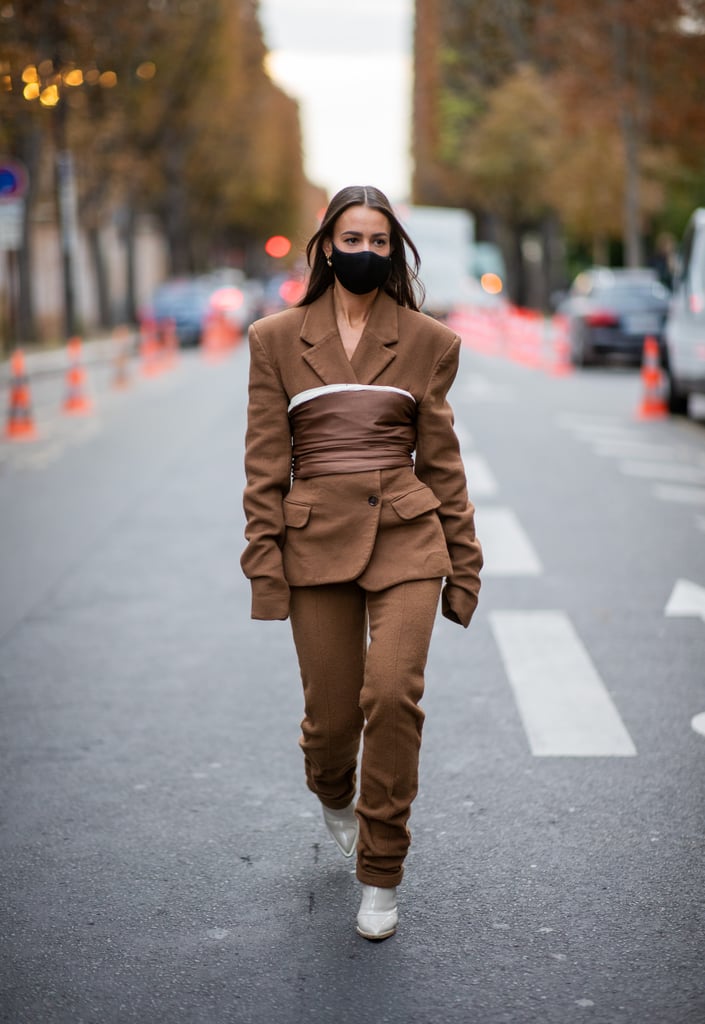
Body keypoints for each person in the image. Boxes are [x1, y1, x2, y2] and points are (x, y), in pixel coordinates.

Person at [241, 185, 482, 941]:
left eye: (380, 242)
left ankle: (381, 872)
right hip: (312, 538)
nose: (366, 253)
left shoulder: (427, 340)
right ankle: (333, 790)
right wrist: (264, 565)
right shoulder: (274, 338)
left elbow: (441, 461)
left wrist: (464, 562)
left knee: (393, 693)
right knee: (331, 722)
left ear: (395, 251)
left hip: (408, 535)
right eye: (353, 239)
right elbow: (263, 466)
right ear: (326, 246)